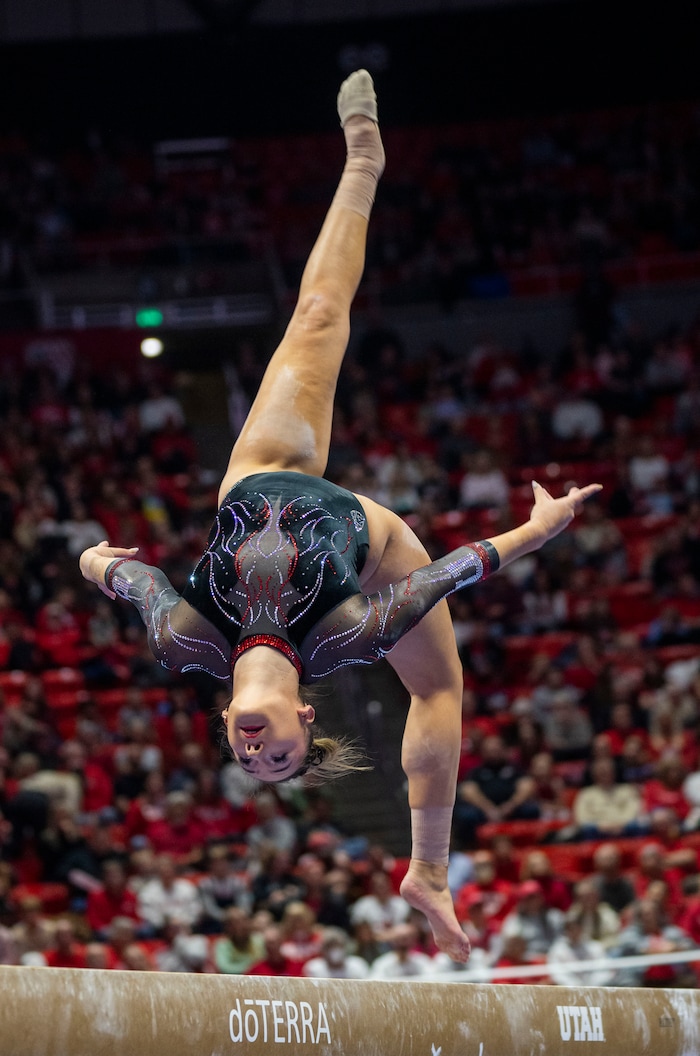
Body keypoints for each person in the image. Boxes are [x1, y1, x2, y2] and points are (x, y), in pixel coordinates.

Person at [78, 70, 601, 962]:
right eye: (277, 758)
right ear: (304, 723)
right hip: (378, 540)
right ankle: (428, 868)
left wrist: (93, 562)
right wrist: (537, 530)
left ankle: (362, 159)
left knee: (318, 313)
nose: (257, 754)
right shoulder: (342, 642)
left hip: (260, 474)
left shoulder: (189, 644)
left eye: (250, 762)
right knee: (438, 686)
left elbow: (136, 580)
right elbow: (452, 570)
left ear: (233, 730)